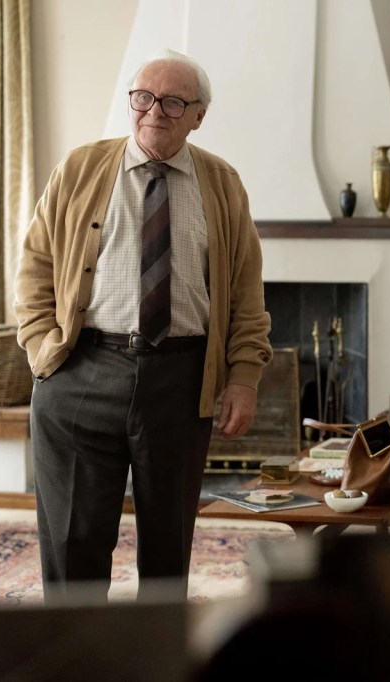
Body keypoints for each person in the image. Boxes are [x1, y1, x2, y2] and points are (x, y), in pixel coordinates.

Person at [14, 48, 272, 602]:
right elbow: (34, 265)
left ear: (198, 116)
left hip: (180, 379)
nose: (155, 110)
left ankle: (158, 646)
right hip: (80, 371)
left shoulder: (223, 183)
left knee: (167, 547)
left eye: (174, 102)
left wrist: (244, 377)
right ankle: (75, 647)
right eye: (143, 97)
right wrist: (41, 347)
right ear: (130, 101)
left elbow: (247, 293)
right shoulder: (80, 168)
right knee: (73, 541)